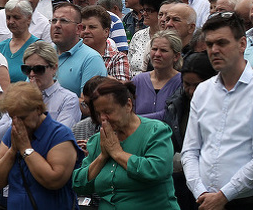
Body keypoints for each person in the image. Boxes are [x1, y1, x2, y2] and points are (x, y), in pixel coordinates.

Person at [181, 12, 253, 209]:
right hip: (202, 200)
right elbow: (190, 150)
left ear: (242, 44)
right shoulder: (203, 91)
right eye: (209, 45)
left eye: (222, 43)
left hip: (246, 203)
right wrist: (201, 192)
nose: (214, 50)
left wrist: (224, 195)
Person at [72, 78, 180, 209]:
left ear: (128, 105)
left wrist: (117, 153)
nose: (102, 118)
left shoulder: (156, 131)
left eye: (108, 112)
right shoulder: (98, 140)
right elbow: (79, 185)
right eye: (98, 113)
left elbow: (156, 170)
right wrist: (102, 157)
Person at [0, 81, 81, 209]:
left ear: (38, 109)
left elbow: (54, 180)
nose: (16, 123)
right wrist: (12, 151)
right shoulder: (13, 132)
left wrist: (26, 149)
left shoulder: (60, 135)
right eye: (12, 117)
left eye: (22, 118)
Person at [21, 41, 81, 128]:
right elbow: (0, 132)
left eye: (38, 69)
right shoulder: (19, 96)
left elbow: (59, 135)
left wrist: (34, 100)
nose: (31, 74)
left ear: (54, 68)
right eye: (26, 69)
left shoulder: (68, 99)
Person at [131, 30, 183, 122]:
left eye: (163, 50)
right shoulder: (138, 81)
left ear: (176, 56)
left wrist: (136, 120)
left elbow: (170, 114)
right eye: (154, 49)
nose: (157, 54)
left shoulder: (181, 83)